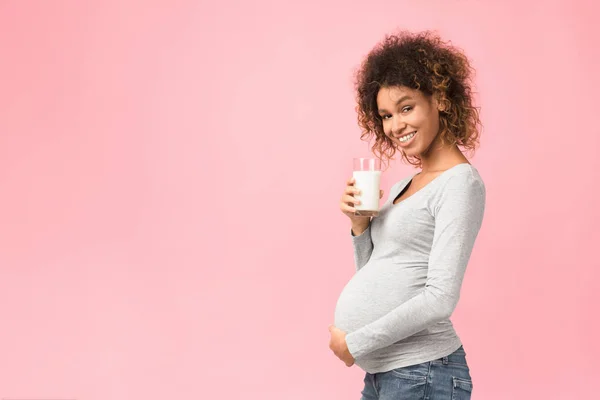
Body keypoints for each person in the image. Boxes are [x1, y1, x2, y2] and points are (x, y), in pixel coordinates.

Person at [328, 30, 486, 399]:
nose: (395, 125)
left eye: (406, 108)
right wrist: (358, 226)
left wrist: (357, 342)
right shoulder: (403, 186)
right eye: (385, 115)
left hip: (424, 372)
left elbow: (440, 297)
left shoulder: (460, 184)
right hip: (388, 374)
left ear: (441, 100)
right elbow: (376, 272)